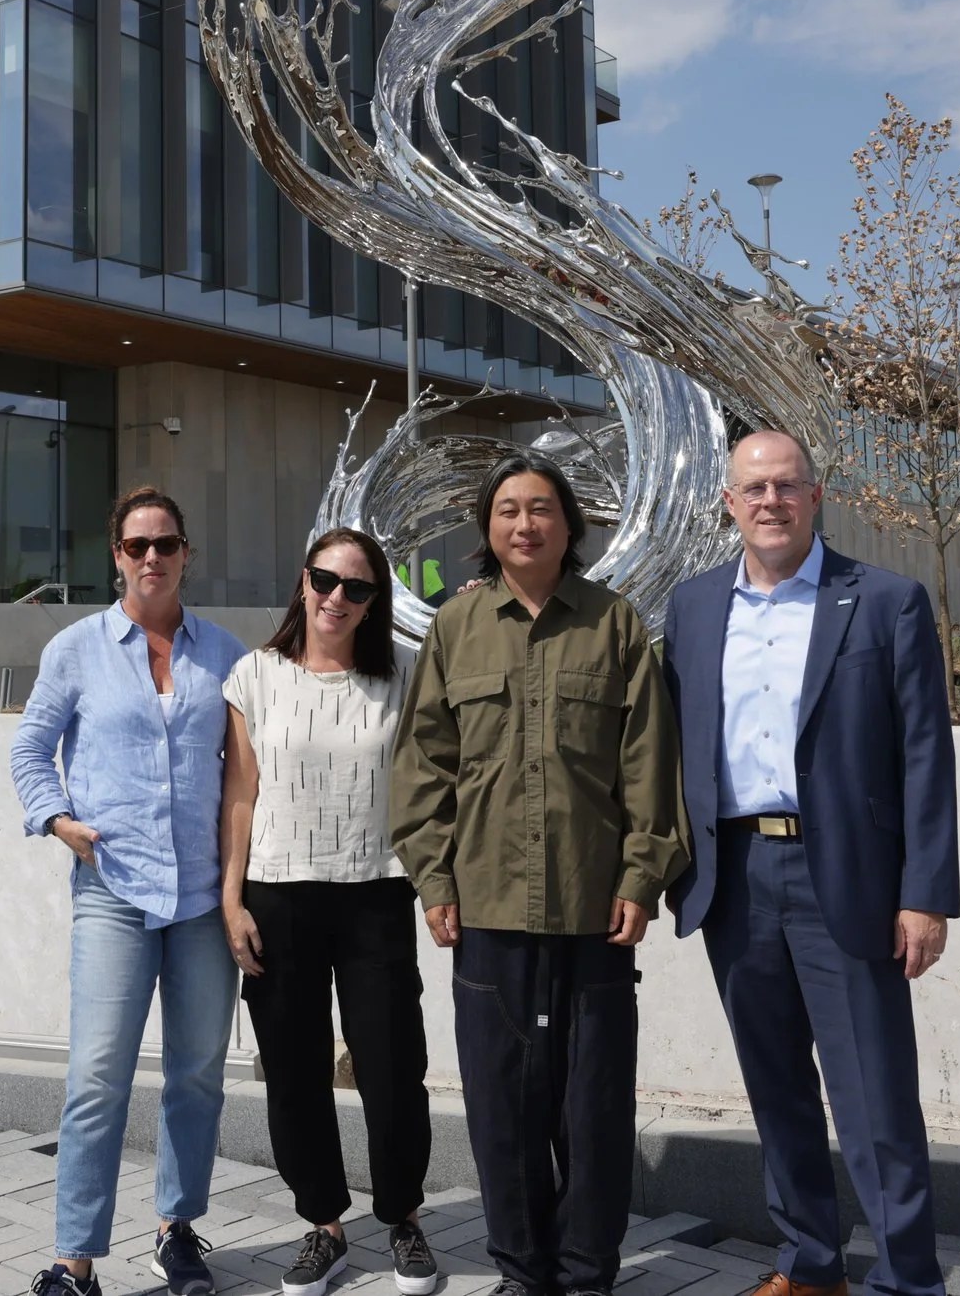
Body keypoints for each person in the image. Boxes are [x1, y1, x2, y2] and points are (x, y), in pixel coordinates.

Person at [663, 432, 960, 1296]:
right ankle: (809, 1264)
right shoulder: (692, 605)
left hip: (849, 882)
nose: (770, 501)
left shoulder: (883, 601)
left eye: (787, 485)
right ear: (728, 502)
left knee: (876, 1102)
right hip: (734, 880)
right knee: (777, 1085)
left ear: (816, 494)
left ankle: (908, 1279)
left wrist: (925, 893)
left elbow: (925, 760)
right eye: (753, 488)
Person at [392, 452, 686, 1296]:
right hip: (484, 906)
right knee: (501, 1106)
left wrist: (640, 877)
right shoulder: (456, 628)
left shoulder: (616, 624)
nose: (526, 523)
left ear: (569, 525)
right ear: (488, 528)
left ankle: (589, 1270)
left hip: (595, 905)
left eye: (542, 508)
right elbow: (423, 767)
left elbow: (648, 764)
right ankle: (523, 1272)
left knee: (591, 1107)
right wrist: (435, 880)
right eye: (509, 510)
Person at [12, 486, 248, 1296]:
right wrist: (57, 820)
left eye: (167, 542)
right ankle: (74, 1260)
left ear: (187, 553)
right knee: (98, 1077)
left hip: (201, 900)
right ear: (116, 555)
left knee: (196, 1072)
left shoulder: (225, 654)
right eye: (138, 544)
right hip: (112, 890)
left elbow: (253, 766)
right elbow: (31, 749)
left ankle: (177, 1229)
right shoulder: (77, 648)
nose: (154, 556)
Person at [221, 529, 439, 1296]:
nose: (336, 598)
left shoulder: (406, 672)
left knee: (391, 1068)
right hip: (277, 895)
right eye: (325, 579)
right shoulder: (254, 674)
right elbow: (241, 795)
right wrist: (231, 898)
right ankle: (324, 1224)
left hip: (377, 891)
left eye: (357, 587)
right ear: (302, 580)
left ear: (376, 600)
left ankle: (403, 1214)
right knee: (294, 1071)